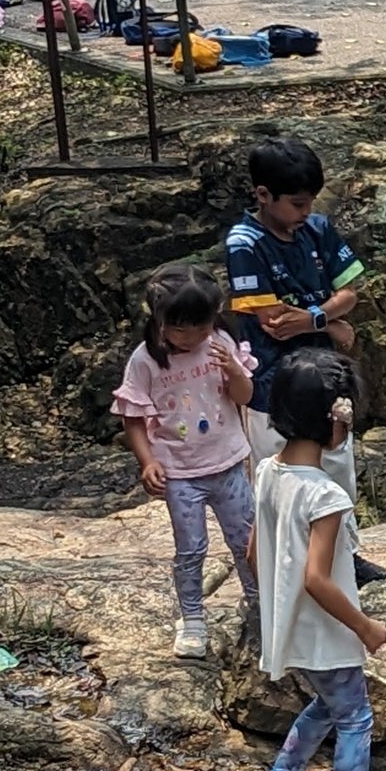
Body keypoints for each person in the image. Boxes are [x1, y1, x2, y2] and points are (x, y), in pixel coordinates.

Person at [237, 349, 386, 771]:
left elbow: (253, 553)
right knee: (356, 716)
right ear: (336, 419)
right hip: (325, 628)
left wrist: (277, 605)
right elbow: (317, 578)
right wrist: (365, 626)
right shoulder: (326, 495)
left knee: (330, 704)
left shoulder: (268, 472)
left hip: (291, 622)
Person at [222, 136, 383, 584]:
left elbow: (349, 292)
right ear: (263, 195)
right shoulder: (244, 243)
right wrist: (331, 323)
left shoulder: (317, 227)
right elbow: (274, 321)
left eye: (310, 201)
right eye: (296, 203)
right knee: (280, 473)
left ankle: (345, 555)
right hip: (272, 383)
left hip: (327, 377)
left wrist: (315, 318)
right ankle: (286, 565)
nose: (306, 211)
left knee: (338, 464)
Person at [112, 263, 257, 659]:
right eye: (180, 330)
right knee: (191, 548)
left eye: (201, 328)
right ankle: (192, 618)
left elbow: (244, 397)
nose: (191, 338)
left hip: (228, 463)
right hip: (180, 473)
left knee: (245, 539)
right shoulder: (146, 360)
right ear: (159, 320)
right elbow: (132, 417)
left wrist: (233, 370)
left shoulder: (221, 343)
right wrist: (147, 462)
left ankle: (258, 601)